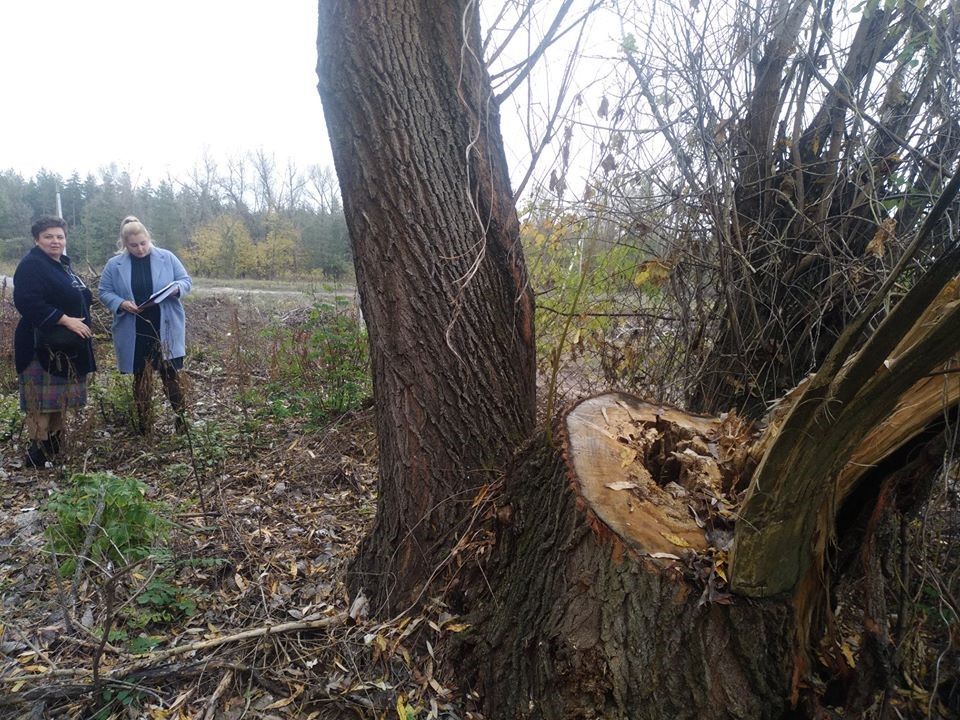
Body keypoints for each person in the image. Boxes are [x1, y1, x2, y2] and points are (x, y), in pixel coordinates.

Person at [13, 216, 96, 467]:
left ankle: (53, 446)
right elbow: (27, 302)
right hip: (40, 344)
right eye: (48, 236)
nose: (55, 241)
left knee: (59, 400)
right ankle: (37, 453)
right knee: (41, 403)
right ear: (36, 239)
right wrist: (65, 320)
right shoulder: (32, 265)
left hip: (65, 346)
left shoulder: (61, 265)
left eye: (59, 236)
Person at [99, 216, 192, 433]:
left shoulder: (167, 257)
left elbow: (186, 281)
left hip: (165, 326)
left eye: (143, 243)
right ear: (125, 244)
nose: (140, 249)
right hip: (134, 328)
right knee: (141, 376)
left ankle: (182, 422)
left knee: (170, 374)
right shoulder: (114, 265)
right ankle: (145, 426)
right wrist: (121, 303)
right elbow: (104, 291)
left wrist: (176, 289)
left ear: (149, 238)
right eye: (134, 245)